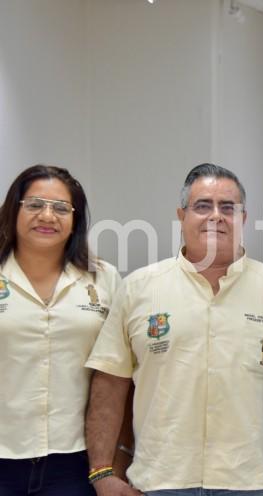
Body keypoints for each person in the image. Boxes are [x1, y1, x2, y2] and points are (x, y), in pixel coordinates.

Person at [84, 163, 263, 496]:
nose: (215, 216)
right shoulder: (139, 289)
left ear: (243, 219)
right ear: (182, 215)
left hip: (253, 482)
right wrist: (102, 472)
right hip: (160, 482)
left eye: (227, 208)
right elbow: (110, 383)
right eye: (202, 206)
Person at [0, 165, 123, 495]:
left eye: (60, 208)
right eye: (35, 204)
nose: (47, 216)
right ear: (14, 210)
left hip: (73, 460)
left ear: (75, 220)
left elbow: (118, 371)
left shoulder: (104, 279)